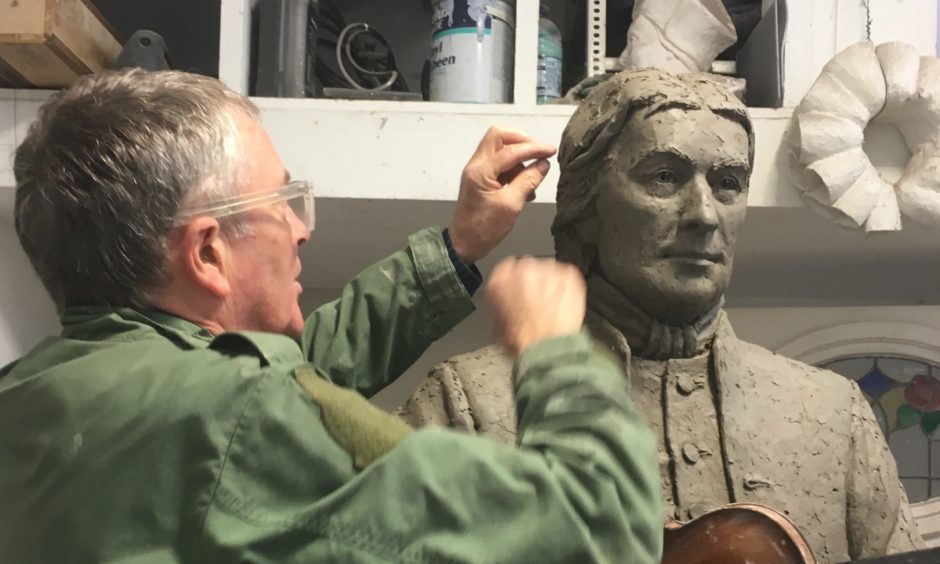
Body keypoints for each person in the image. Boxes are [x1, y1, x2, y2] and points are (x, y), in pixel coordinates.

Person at [0, 69, 663, 563]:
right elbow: (598, 531)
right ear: (207, 251)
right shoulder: (239, 416)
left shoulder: (36, 402)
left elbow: (275, 381)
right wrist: (557, 358)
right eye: (281, 202)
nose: (299, 230)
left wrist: (457, 248)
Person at [397, 68, 925, 563]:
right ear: (585, 210)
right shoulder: (465, 404)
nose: (703, 213)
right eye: (664, 177)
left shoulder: (833, 417)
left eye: (727, 183)